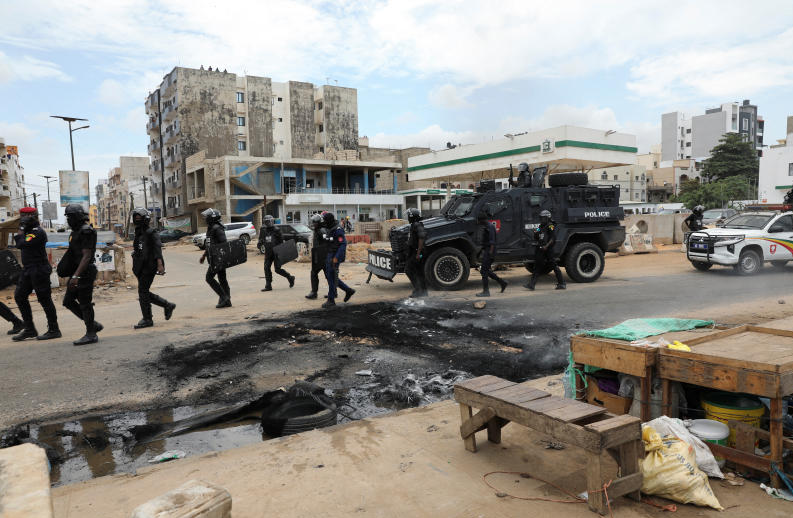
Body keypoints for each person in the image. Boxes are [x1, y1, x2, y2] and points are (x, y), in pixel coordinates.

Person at [12, 206, 60, 340]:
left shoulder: (37, 232)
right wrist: (22, 229)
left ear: (32, 216)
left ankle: (54, 329)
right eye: (20, 216)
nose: (21, 219)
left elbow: (21, 244)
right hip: (28, 269)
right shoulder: (28, 231)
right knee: (19, 296)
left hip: (39, 269)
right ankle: (29, 329)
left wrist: (21, 230)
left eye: (23, 216)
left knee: (44, 299)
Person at [58, 204, 103, 345]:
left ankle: (91, 334)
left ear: (78, 217)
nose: (69, 220)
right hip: (76, 271)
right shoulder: (75, 232)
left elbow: (87, 256)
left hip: (85, 271)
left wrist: (76, 276)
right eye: (67, 217)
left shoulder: (86, 231)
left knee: (85, 303)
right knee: (68, 301)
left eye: (70, 217)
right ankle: (93, 325)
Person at [130, 208, 175, 329]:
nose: (137, 220)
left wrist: (160, 265)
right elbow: (138, 248)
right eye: (135, 218)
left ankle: (148, 319)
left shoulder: (151, 232)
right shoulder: (138, 232)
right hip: (140, 266)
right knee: (144, 292)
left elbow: (157, 248)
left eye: (139, 218)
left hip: (149, 266)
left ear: (145, 219)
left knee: (142, 292)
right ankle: (167, 305)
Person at [199, 208, 231, 308]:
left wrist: (221, 258)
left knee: (209, 278)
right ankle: (227, 300)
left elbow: (224, 244)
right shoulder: (211, 228)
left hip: (218, 259)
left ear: (212, 218)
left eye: (207, 217)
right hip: (213, 258)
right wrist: (204, 256)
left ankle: (224, 297)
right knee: (222, 279)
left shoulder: (217, 228)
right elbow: (209, 244)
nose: (206, 219)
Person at [322, 212, 355, 308]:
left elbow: (343, 244)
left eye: (325, 221)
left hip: (335, 256)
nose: (324, 222)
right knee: (331, 277)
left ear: (329, 221)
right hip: (330, 255)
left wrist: (336, 257)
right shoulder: (330, 227)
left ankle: (331, 300)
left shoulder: (338, 229)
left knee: (331, 277)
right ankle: (348, 290)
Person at [527, 210, 566, 291]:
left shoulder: (550, 226)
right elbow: (536, 234)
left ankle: (562, 283)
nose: (542, 219)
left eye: (543, 218)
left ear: (548, 218)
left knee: (553, 265)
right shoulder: (541, 226)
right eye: (541, 218)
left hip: (548, 249)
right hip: (541, 248)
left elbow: (553, 238)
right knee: (537, 265)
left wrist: (547, 246)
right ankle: (531, 284)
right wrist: (535, 232)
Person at [258, 215, 294, 292]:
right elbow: (261, 238)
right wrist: (260, 243)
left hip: (276, 252)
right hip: (268, 252)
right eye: (266, 221)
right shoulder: (263, 229)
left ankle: (290, 277)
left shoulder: (276, 230)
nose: (267, 223)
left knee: (277, 269)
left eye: (268, 221)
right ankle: (268, 285)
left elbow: (281, 241)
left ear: (271, 221)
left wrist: (281, 252)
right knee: (266, 268)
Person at [475, 211, 507, 297]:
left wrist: (490, 253)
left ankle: (486, 291)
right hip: (487, 251)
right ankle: (502, 282)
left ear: (482, 220)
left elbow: (492, 242)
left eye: (479, 220)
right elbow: (485, 242)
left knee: (484, 271)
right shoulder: (486, 227)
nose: (478, 222)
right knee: (485, 271)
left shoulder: (490, 227)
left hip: (490, 252)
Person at [404, 208, 428, 298]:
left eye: (408, 216)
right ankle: (423, 292)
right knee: (419, 272)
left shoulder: (417, 225)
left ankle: (418, 290)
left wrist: (418, 253)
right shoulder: (414, 224)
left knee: (409, 270)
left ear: (412, 217)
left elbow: (421, 238)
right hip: (415, 252)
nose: (407, 218)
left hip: (417, 253)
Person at [305, 213, 328, 299]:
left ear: (318, 222)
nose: (313, 224)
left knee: (321, 274)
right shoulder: (318, 230)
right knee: (316, 273)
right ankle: (315, 292)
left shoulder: (322, 230)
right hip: (318, 255)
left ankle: (314, 292)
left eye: (314, 222)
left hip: (322, 256)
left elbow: (326, 243)